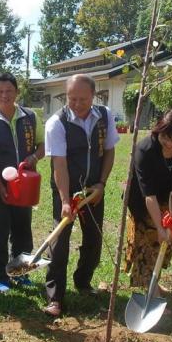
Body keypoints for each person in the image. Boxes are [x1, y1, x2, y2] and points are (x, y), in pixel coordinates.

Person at [43, 74, 120, 316]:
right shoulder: (57, 123)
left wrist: (101, 184)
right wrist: (66, 201)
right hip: (67, 189)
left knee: (94, 239)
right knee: (60, 241)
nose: (76, 104)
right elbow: (60, 165)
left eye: (82, 99)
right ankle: (55, 298)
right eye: (71, 98)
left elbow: (108, 152)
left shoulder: (105, 116)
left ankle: (83, 281)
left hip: (94, 189)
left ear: (93, 96)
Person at [0, 73, 45, 293]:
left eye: (9, 91)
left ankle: (21, 272)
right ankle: (1, 276)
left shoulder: (31, 117)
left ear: (17, 92)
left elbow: (42, 145)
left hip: (24, 187)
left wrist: (34, 158)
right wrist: (1, 186)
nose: (4, 95)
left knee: (22, 230)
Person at [124, 108, 172, 290]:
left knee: (168, 239)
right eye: (165, 137)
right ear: (159, 130)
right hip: (143, 200)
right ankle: (148, 287)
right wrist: (158, 226)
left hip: (171, 201)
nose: (170, 143)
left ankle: (153, 280)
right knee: (148, 242)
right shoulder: (145, 149)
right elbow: (148, 194)